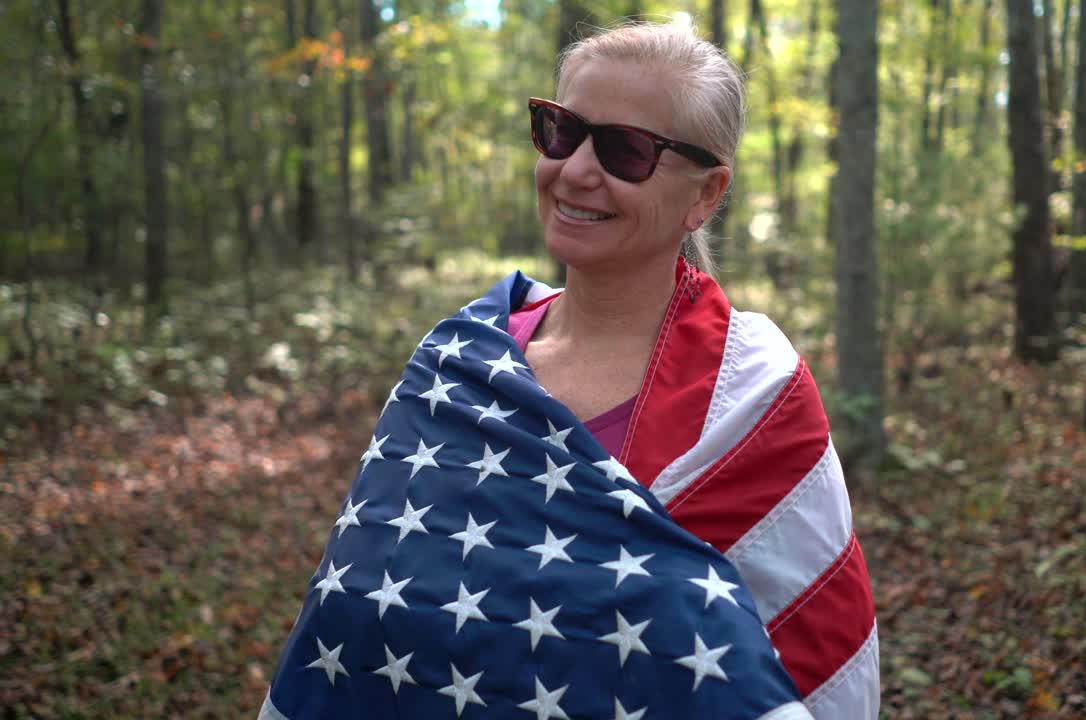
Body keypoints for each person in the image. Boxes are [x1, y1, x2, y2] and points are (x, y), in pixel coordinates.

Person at [260, 21, 877, 720]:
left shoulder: (752, 398)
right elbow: (353, 615)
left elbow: (817, 667)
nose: (577, 169)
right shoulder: (458, 361)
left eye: (626, 149)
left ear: (705, 196)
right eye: (561, 131)